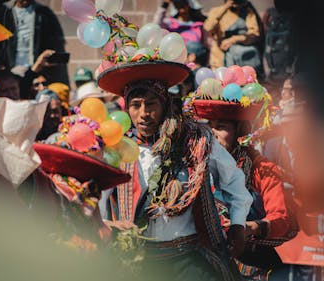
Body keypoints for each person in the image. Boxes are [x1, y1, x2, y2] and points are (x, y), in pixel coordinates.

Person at [97, 59, 253, 281]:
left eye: (151, 104)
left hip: (187, 258)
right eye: (136, 105)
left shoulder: (197, 140)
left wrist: (238, 224)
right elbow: (99, 203)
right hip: (138, 262)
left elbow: (234, 180)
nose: (143, 113)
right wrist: (108, 225)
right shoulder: (115, 150)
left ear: (164, 104)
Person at [191, 88, 295, 280]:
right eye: (209, 126)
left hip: (251, 265)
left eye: (221, 126)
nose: (212, 134)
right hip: (205, 263)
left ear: (239, 131)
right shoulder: (196, 167)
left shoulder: (261, 168)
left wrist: (250, 228)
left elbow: (281, 219)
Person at [0, 0, 70, 86]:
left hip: (34, 69)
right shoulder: (4, 11)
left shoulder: (43, 13)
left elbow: (52, 42)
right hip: (10, 69)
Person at [204, 0, 265, 80]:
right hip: (220, 57)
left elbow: (254, 33)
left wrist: (233, 39)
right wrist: (225, 7)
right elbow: (208, 27)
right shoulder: (216, 11)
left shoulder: (248, 12)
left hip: (244, 58)